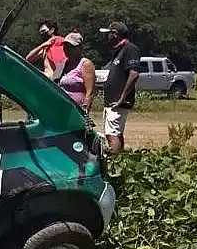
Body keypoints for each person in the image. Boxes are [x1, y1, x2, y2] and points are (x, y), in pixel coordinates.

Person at [99, 20, 140, 155]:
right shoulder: (118, 51)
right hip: (112, 100)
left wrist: (122, 97)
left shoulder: (130, 49)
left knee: (112, 134)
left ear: (115, 34)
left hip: (118, 101)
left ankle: (114, 162)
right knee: (113, 132)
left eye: (109, 34)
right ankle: (120, 158)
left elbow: (133, 74)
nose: (107, 37)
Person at [54, 32, 95, 115]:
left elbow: (90, 92)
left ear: (80, 48)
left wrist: (85, 111)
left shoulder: (86, 64)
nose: (67, 49)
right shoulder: (62, 65)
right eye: (65, 46)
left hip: (77, 110)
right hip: (61, 109)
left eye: (71, 47)